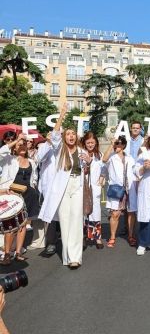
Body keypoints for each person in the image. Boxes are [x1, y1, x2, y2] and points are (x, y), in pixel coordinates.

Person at [38, 104, 85, 269]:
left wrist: (88, 161)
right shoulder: (59, 150)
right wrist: (62, 114)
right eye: (68, 134)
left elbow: (87, 170)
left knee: (77, 220)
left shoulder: (82, 151)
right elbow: (55, 135)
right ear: (64, 137)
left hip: (77, 186)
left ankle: (75, 257)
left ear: (76, 137)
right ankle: (67, 256)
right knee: (65, 221)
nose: (71, 136)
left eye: (73, 134)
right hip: (63, 189)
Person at [0, 133, 39, 264]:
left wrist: (33, 189)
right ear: (15, 147)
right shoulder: (9, 160)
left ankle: (18, 252)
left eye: (24, 145)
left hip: (28, 195)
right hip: (12, 196)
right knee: (10, 226)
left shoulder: (32, 162)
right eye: (19, 145)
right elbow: (1, 151)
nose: (22, 147)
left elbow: (34, 179)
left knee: (22, 225)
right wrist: (17, 139)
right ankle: (6, 255)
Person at [102, 136, 136, 248]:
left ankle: (131, 235)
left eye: (120, 143)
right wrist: (111, 145)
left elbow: (134, 172)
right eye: (116, 143)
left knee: (130, 213)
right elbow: (104, 159)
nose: (117, 145)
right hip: (116, 188)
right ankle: (112, 237)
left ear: (124, 145)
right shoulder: (112, 157)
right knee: (115, 214)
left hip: (129, 188)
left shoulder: (130, 158)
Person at [80, 132, 104, 249]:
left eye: (92, 142)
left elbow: (104, 168)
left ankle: (97, 238)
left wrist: (102, 177)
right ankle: (83, 237)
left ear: (96, 143)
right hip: (83, 187)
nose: (90, 145)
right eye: (88, 142)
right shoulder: (81, 154)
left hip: (95, 187)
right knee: (83, 212)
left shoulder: (99, 155)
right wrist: (88, 164)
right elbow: (81, 171)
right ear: (84, 143)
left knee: (96, 212)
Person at [123, 120, 144, 247]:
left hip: (141, 174)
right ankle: (129, 230)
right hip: (128, 174)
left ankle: (140, 231)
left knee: (141, 204)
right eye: (133, 128)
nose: (135, 129)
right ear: (130, 129)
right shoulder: (127, 140)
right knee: (129, 204)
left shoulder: (144, 141)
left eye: (137, 128)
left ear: (140, 129)